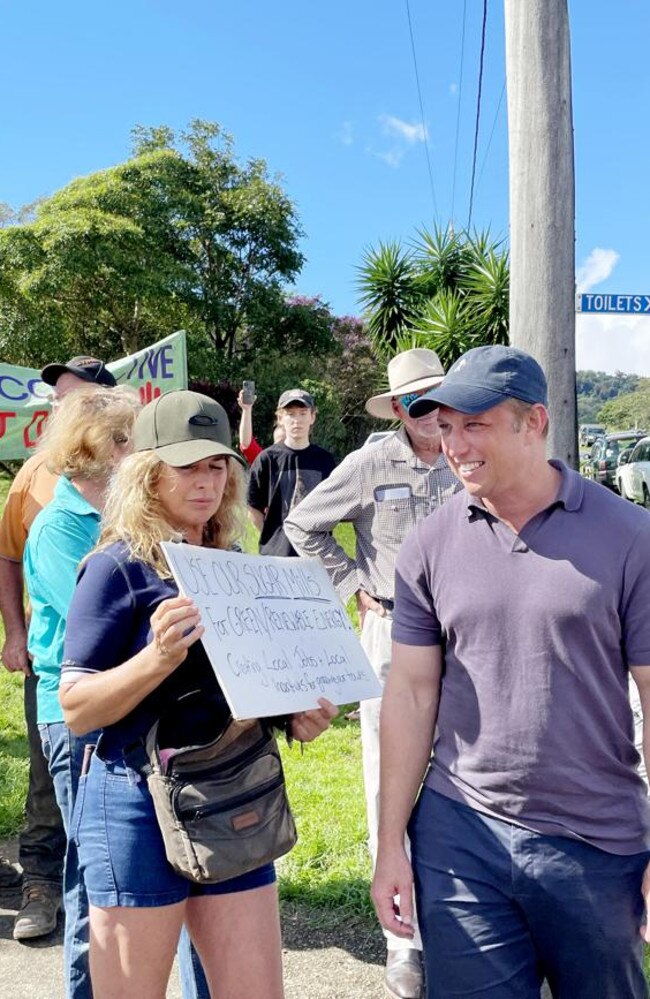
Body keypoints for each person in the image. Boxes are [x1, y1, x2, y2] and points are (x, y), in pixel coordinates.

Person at [373, 344, 650, 999]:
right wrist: (389, 843)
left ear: (535, 423)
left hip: (598, 841)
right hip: (460, 832)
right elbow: (411, 695)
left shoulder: (630, 537)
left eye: (475, 424)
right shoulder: (428, 544)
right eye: (444, 427)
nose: (455, 445)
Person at [59, 390, 337, 998]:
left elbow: (244, 680)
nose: (206, 482)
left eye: (216, 465)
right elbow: (76, 709)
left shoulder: (230, 560)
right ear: (148, 473)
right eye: (186, 466)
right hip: (135, 800)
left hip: (230, 792)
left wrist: (294, 715)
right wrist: (155, 659)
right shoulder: (117, 567)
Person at [284, 348, 459, 999]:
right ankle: (403, 944)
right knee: (391, 780)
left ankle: (456, 918)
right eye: (416, 403)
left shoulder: (469, 454)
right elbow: (304, 525)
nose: (431, 413)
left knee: (465, 776)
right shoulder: (369, 463)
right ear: (397, 409)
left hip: (465, 637)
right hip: (391, 631)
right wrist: (355, 581)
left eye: (438, 398)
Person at [24, 386, 140, 998]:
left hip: (121, 707)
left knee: (110, 871)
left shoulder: (125, 519)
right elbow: (98, 624)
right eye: (123, 440)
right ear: (87, 450)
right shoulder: (57, 526)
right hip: (74, 719)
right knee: (91, 875)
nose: (135, 451)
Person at [0, 355, 117, 941]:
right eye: (55, 399)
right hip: (57, 662)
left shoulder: (132, 478)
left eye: (70, 398)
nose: (55, 408)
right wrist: (14, 632)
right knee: (50, 774)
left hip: (122, 672)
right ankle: (40, 886)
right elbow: (8, 553)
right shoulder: (35, 477)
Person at [247, 389, 336, 556]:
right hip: (277, 557)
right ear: (280, 418)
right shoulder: (267, 459)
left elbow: (333, 507)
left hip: (317, 555)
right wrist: (274, 537)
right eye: (290, 414)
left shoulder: (325, 460)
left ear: (312, 417)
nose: (297, 421)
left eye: (303, 413)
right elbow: (253, 506)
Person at [237, 389, 285, 464]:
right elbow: (246, 444)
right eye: (278, 444)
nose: (281, 449)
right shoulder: (267, 462)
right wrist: (247, 409)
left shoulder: (307, 460)